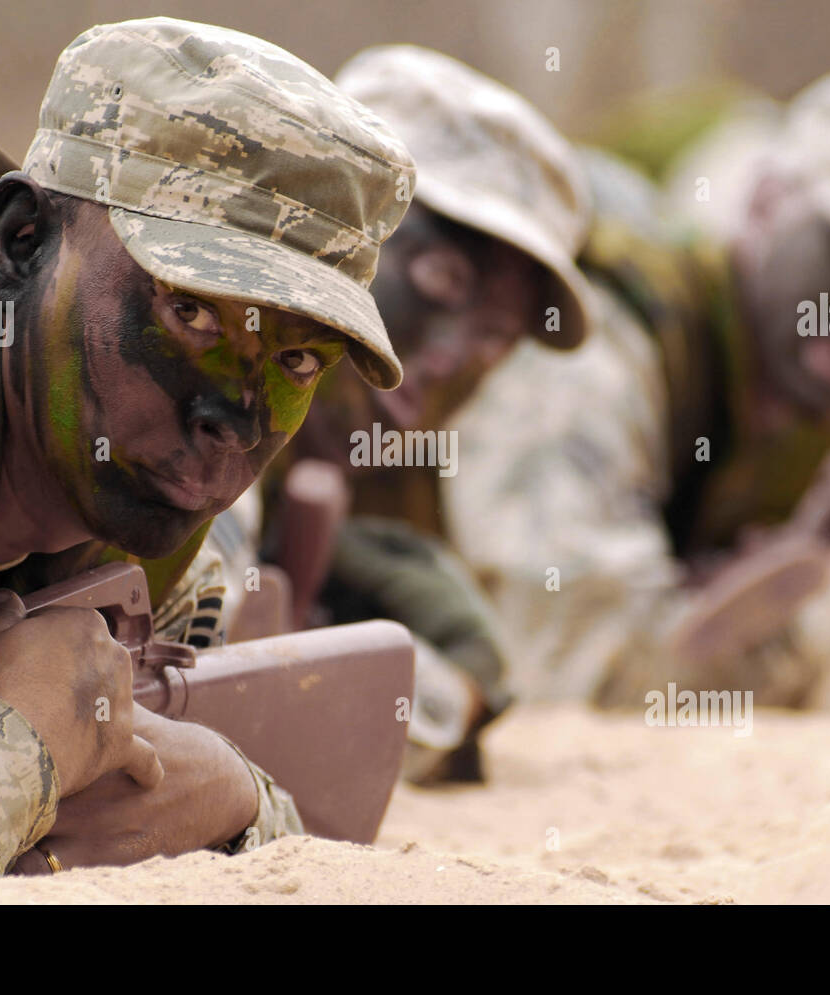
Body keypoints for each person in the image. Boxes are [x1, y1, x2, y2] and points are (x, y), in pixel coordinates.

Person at [0, 17, 415, 896]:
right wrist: (8, 762)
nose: (236, 417)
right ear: (22, 239)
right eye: (192, 315)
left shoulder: (161, 524)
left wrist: (233, 796)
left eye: (297, 359)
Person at [444, 71, 830, 707]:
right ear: (766, 202)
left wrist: (801, 562)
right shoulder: (598, 350)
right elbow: (581, 673)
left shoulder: (766, 387)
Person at [258, 45, 594, 782]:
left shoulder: (387, 439)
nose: (449, 358)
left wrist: (449, 685)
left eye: (496, 336)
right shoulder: (211, 351)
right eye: (441, 279)